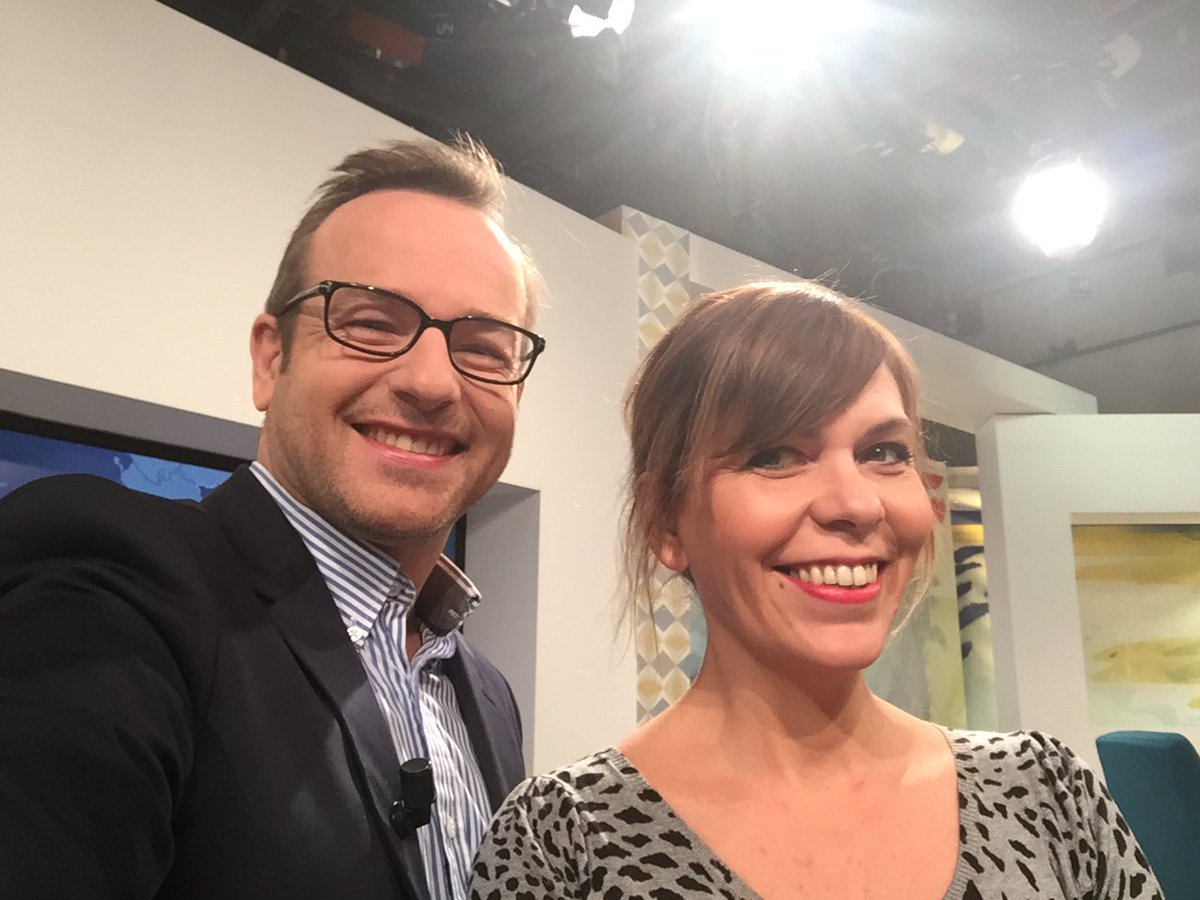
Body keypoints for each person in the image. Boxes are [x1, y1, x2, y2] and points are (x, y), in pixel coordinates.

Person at [469, 282, 1162, 899]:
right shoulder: (565, 838)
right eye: (775, 456)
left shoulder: (1044, 792)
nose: (856, 504)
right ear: (665, 522)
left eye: (884, 452)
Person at [0, 138, 545, 900]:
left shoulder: (486, 693)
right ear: (270, 359)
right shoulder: (117, 585)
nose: (431, 382)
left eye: (484, 349)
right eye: (371, 322)